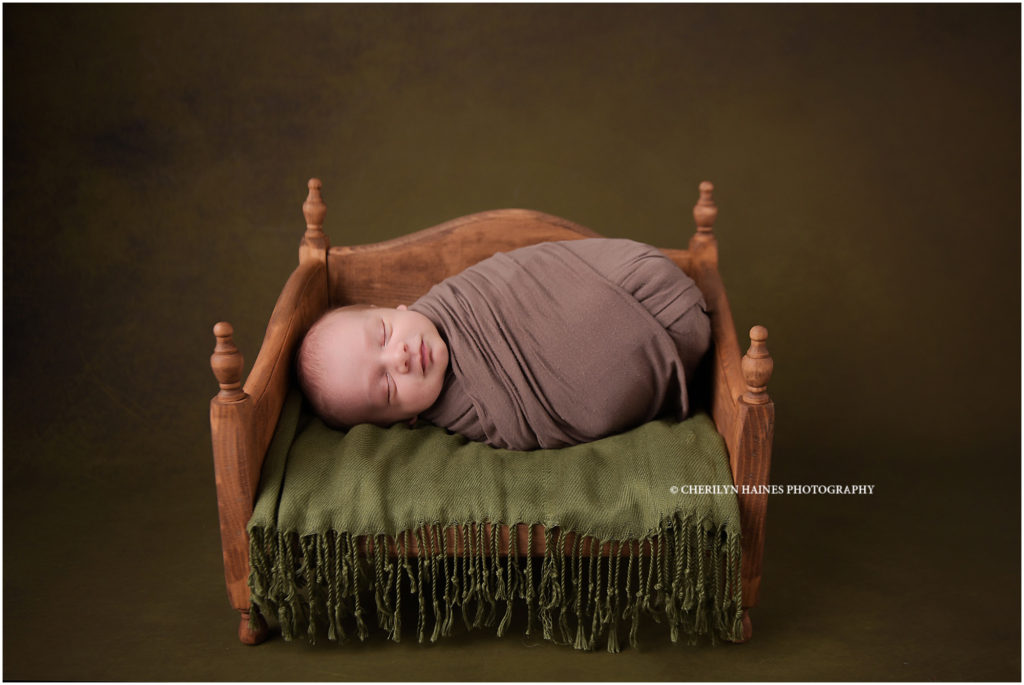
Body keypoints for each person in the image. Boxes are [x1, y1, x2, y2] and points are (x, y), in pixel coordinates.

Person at [296, 238, 710, 450]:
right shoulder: (472, 413)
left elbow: (534, 273)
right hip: (674, 332)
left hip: (644, 279)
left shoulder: (464, 298)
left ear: (397, 308)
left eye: (384, 334)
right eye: (387, 387)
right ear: (403, 422)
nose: (400, 357)